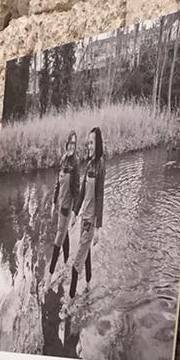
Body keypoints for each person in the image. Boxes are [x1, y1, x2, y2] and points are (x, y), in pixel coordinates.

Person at [71, 127, 104, 299]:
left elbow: (99, 196)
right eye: (88, 142)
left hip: (91, 223)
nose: (88, 145)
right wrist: (74, 213)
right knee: (87, 254)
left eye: (91, 142)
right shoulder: (89, 164)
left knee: (76, 264)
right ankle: (89, 286)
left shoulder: (100, 165)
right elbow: (83, 191)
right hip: (84, 218)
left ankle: (68, 302)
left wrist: (98, 227)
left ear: (97, 144)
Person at [47, 132, 78, 274]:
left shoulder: (76, 162)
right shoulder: (63, 160)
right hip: (60, 204)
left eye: (74, 143)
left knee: (59, 236)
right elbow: (57, 184)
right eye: (70, 143)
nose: (72, 146)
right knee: (64, 234)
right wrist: (54, 202)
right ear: (66, 144)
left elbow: (76, 188)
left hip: (68, 206)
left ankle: (50, 274)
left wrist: (74, 212)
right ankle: (66, 262)